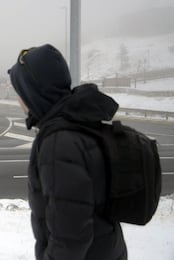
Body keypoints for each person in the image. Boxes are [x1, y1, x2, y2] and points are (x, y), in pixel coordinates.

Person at [8, 44, 127, 260]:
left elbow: (70, 238)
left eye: (19, 91)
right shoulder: (80, 124)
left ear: (33, 92)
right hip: (107, 250)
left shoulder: (58, 142)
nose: (18, 99)